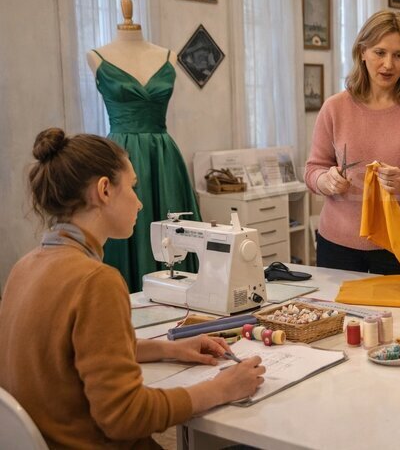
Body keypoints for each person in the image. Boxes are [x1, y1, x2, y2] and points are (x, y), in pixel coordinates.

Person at [0, 128, 265, 448]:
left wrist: (170, 349)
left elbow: (79, 353)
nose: (139, 203)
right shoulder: (95, 281)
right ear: (104, 190)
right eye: (132, 187)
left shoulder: (24, 268)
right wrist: (220, 389)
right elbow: (124, 416)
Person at [304, 10, 400, 274]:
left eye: (399, 55)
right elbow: (313, 170)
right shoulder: (334, 108)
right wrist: (327, 181)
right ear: (362, 52)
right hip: (337, 244)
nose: (388, 64)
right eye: (380, 52)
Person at [87, 0, 201, 291]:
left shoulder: (168, 56)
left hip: (163, 160)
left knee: (172, 230)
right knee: (124, 228)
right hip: (118, 159)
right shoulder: (96, 56)